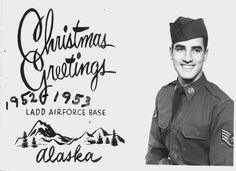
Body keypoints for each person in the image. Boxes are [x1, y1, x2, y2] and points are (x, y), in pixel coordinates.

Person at [145, 16, 234, 165]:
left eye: (196, 50)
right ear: (171, 52)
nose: (187, 58)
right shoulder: (163, 95)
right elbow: (154, 156)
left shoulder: (222, 107)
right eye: (180, 49)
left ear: (205, 54)